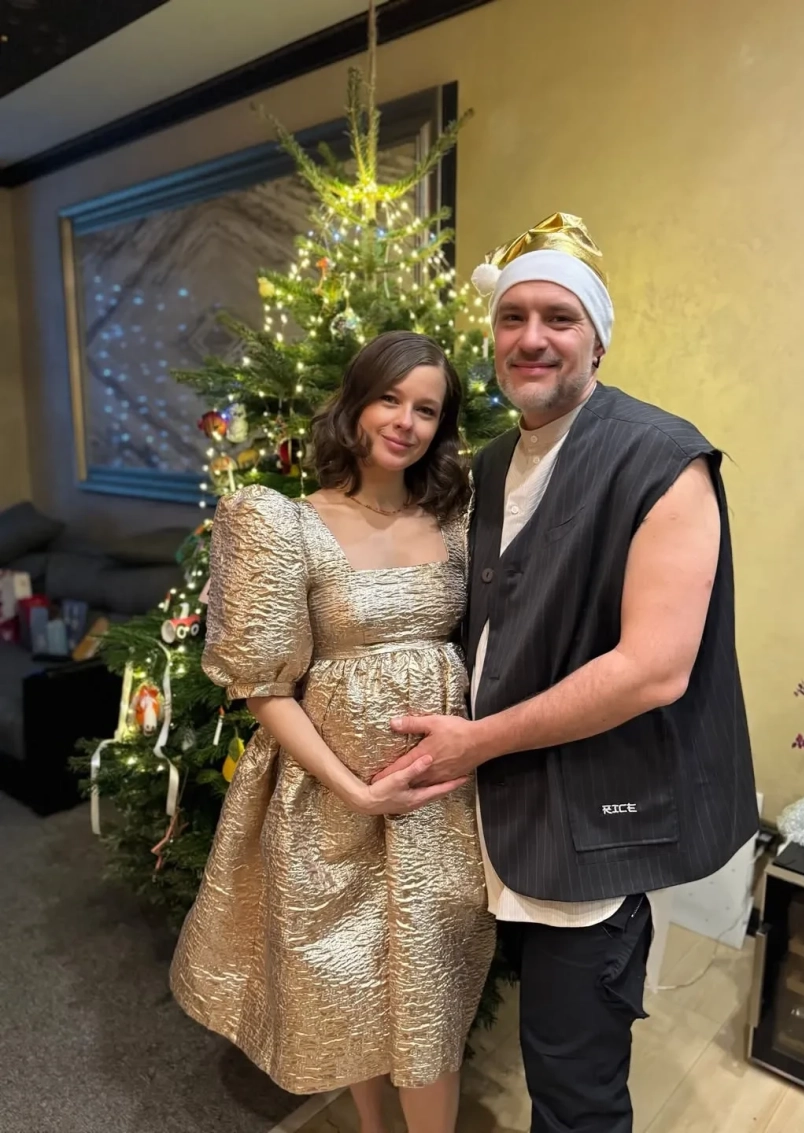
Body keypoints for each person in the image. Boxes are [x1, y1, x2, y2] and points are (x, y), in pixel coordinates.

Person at [376, 213, 760, 1132]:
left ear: (598, 337)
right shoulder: (493, 463)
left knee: (574, 1090)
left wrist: (478, 741)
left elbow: (652, 671)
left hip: (589, 831)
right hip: (497, 810)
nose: (532, 338)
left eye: (559, 317)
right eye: (513, 317)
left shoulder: (661, 459)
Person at [170, 330, 495, 1133]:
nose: (406, 422)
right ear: (354, 403)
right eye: (390, 398)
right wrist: (355, 789)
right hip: (330, 803)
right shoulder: (284, 524)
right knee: (352, 990)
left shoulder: (457, 520)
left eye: (427, 409)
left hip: (440, 806)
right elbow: (262, 685)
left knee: (429, 1002)